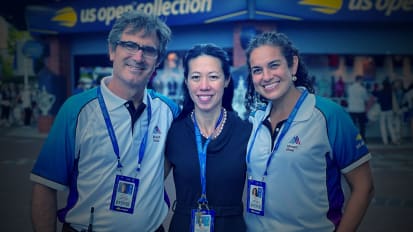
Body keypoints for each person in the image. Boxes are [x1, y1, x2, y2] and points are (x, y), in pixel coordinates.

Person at [30, 11, 180, 232]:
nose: (138, 57)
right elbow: (44, 187)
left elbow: (174, 158)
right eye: (129, 45)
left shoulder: (169, 110)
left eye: (148, 50)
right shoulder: (76, 110)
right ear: (112, 50)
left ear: (157, 60)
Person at [243, 32, 374, 232]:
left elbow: (364, 187)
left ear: (293, 64)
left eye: (274, 65)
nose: (266, 76)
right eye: (257, 70)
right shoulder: (255, 118)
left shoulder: (328, 115)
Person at [164, 44, 252, 232]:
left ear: (227, 80)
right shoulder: (172, 131)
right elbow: (149, 183)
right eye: (196, 77)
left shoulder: (246, 131)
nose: (204, 86)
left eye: (213, 76)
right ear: (186, 81)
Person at [372, 78, 398, 145]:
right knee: (390, 126)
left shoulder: (381, 92)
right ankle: (394, 140)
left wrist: (377, 88)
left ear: (383, 85)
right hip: (390, 111)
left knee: (383, 126)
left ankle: (385, 141)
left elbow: (373, 93)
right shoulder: (391, 92)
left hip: (383, 111)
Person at [347, 75, 370, 141]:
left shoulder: (350, 88)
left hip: (352, 109)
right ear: (360, 80)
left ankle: (353, 139)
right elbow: (366, 99)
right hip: (360, 109)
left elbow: (348, 96)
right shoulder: (362, 89)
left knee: (352, 125)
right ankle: (361, 138)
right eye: (362, 80)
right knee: (361, 125)